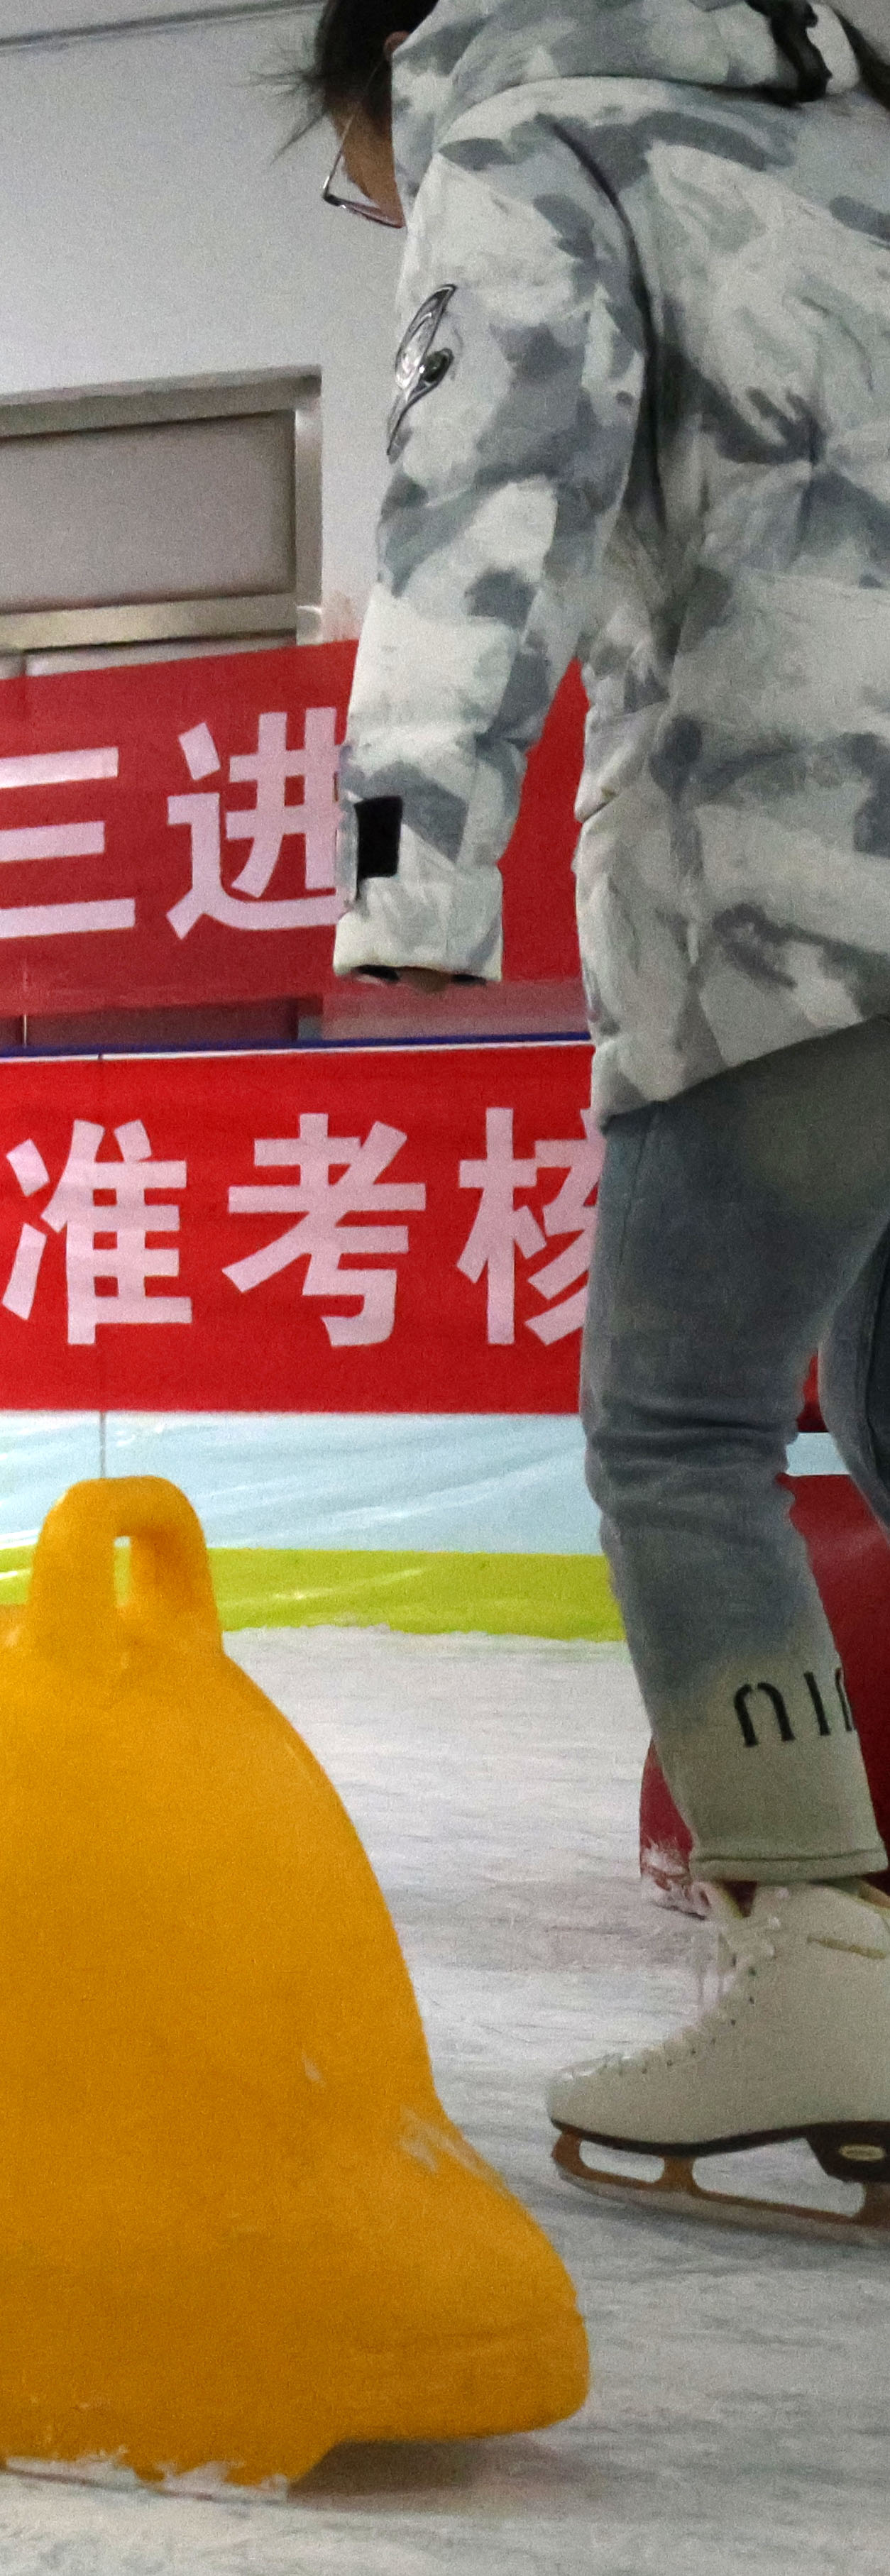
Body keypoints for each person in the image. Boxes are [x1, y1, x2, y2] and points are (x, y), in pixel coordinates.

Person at [302, 0, 890, 2238]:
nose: (378, 206)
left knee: (678, 1426)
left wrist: (405, 877)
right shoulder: (859, 131)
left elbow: (484, 505)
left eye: (356, 173)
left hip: (793, 886)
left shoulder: (527, 132)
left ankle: (820, 1955)